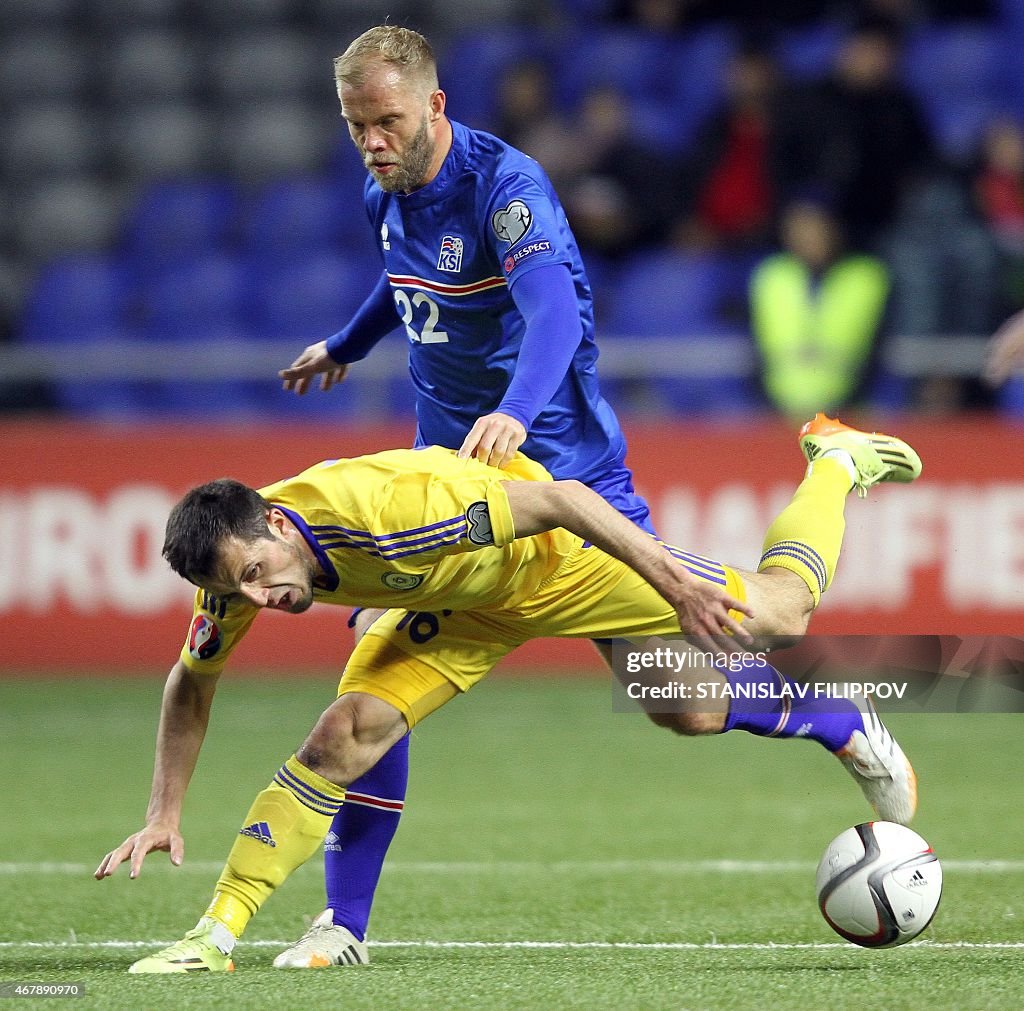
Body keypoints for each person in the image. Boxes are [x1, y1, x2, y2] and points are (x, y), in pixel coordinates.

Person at [97, 413, 923, 973]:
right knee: (349, 728)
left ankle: (836, 463)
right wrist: (165, 810)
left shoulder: (403, 514)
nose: (258, 600)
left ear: (277, 525)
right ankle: (236, 933)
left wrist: (674, 585)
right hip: (462, 605)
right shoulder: (231, 573)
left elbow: (565, 501)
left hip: (559, 564)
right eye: (237, 592)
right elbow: (190, 682)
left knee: (764, 627)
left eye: (258, 577)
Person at [273, 25, 661, 968]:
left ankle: (840, 722)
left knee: (679, 699)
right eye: (355, 125)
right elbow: (402, 282)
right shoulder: (386, 187)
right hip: (446, 486)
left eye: (387, 121)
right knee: (369, 685)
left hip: (568, 479)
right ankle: (343, 922)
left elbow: (556, 308)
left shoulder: (506, 185)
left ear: (435, 107)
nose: (371, 141)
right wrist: (347, 344)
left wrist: (517, 414)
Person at [750, 197, 889, 419]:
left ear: (835, 229)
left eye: (816, 226)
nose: (809, 236)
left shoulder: (866, 275)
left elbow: (884, 345)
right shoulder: (771, 274)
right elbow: (754, 344)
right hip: (779, 414)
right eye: (799, 227)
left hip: (850, 414)